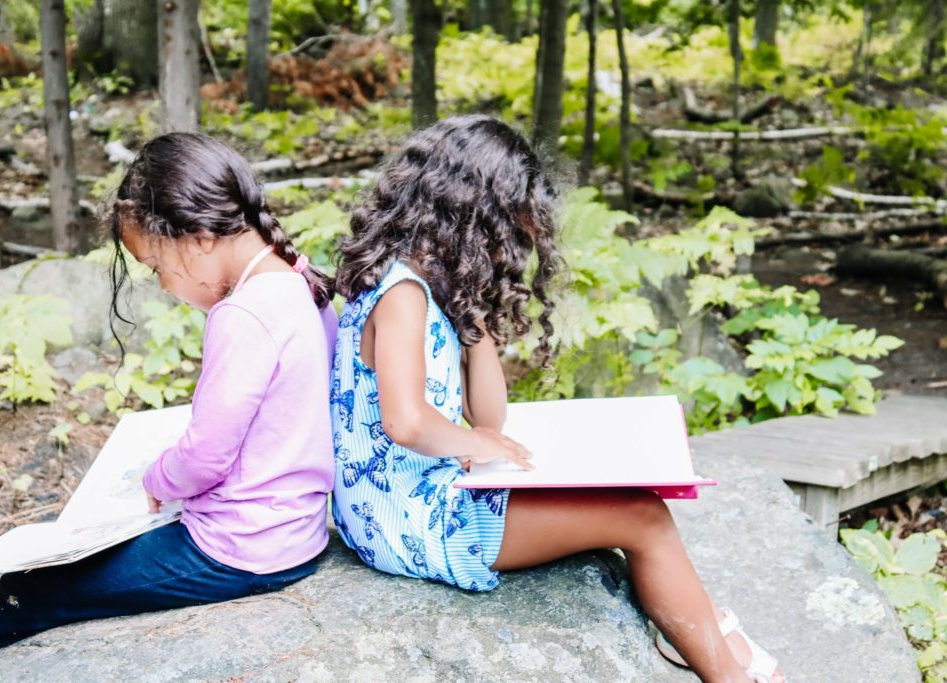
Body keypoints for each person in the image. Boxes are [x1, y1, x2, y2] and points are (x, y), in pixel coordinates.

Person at [329, 115, 784, 683]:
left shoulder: (426, 289)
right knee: (644, 517)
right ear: (471, 216)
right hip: (414, 521)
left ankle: (699, 625)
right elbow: (405, 421)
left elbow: (489, 414)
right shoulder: (401, 296)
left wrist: (474, 324)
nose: (512, 250)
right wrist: (475, 441)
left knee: (618, 494)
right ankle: (729, 674)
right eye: (507, 233)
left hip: (421, 497)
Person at [0, 133, 337, 682]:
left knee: (27, 589)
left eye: (156, 266)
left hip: (237, 549)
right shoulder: (297, 283)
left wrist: (157, 477)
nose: (163, 286)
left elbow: (207, 457)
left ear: (198, 238)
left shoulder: (243, 315)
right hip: (292, 533)